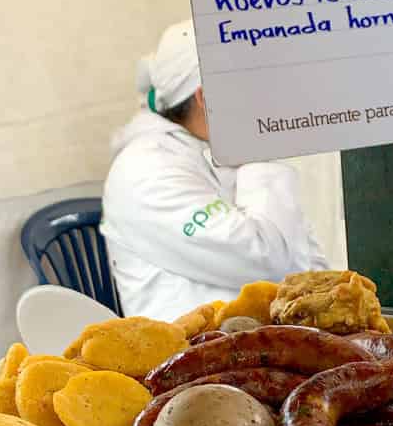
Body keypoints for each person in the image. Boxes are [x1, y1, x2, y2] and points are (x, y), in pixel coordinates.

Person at [102, 22, 328, 318]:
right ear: (205, 97)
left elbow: (308, 266)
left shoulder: (219, 151)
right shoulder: (144, 171)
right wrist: (256, 150)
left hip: (262, 342)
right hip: (196, 355)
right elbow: (266, 260)